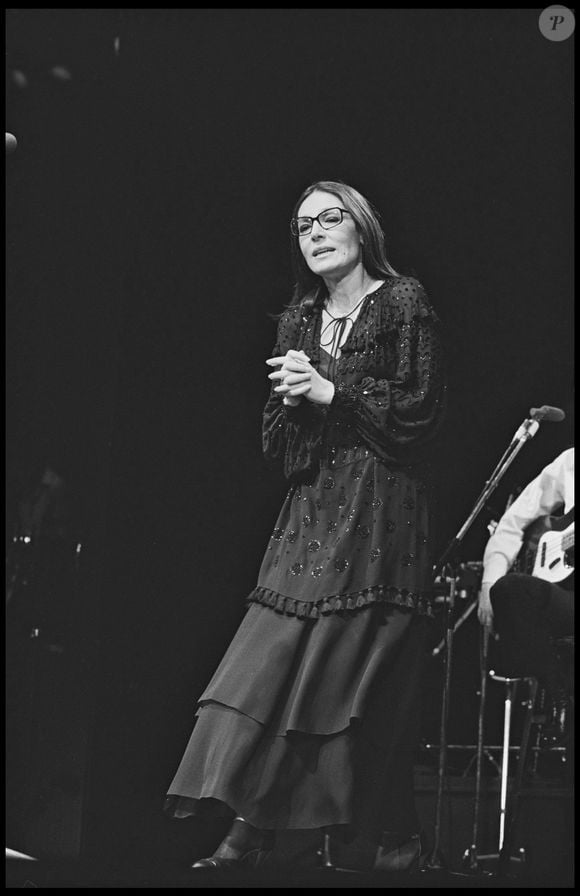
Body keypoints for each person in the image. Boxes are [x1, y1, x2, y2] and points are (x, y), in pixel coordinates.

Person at [164, 180, 447, 873]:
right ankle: (251, 818)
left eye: (330, 218)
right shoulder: (296, 321)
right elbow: (281, 452)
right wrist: (294, 402)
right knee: (266, 668)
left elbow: (420, 414)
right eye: (302, 226)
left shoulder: (402, 301)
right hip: (314, 510)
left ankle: (283, 832)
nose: (315, 232)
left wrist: (333, 391)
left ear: (361, 228)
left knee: (346, 689)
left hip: (383, 512)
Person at [477, 447, 574, 739]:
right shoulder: (571, 461)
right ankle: (557, 694)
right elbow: (512, 522)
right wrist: (488, 581)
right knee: (508, 589)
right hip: (568, 598)